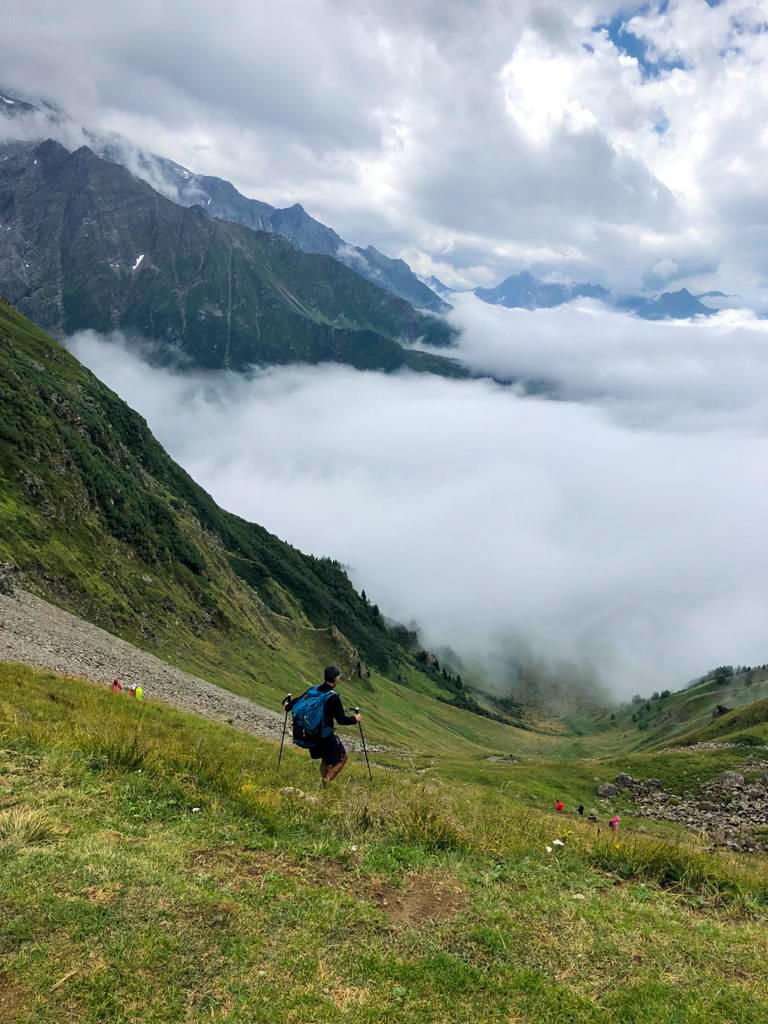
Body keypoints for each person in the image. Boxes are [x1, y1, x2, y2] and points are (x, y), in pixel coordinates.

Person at [288, 666, 360, 786]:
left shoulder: (313, 690)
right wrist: (355, 719)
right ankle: (325, 784)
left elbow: (298, 701)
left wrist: (287, 705)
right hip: (325, 736)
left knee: (326, 759)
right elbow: (341, 720)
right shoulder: (332, 697)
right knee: (342, 758)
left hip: (310, 734)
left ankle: (322, 782)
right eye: (339, 678)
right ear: (336, 679)